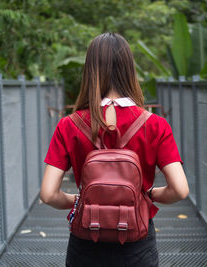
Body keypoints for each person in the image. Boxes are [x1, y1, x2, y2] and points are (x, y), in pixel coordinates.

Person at [40, 32, 189, 267]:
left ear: (90, 70)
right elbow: (180, 190)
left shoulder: (69, 125)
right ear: (129, 70)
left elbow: (48, 194)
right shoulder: (155, 124)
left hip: (86, 239)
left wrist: (79, 200)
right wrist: (147, 194)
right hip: (136, 240)